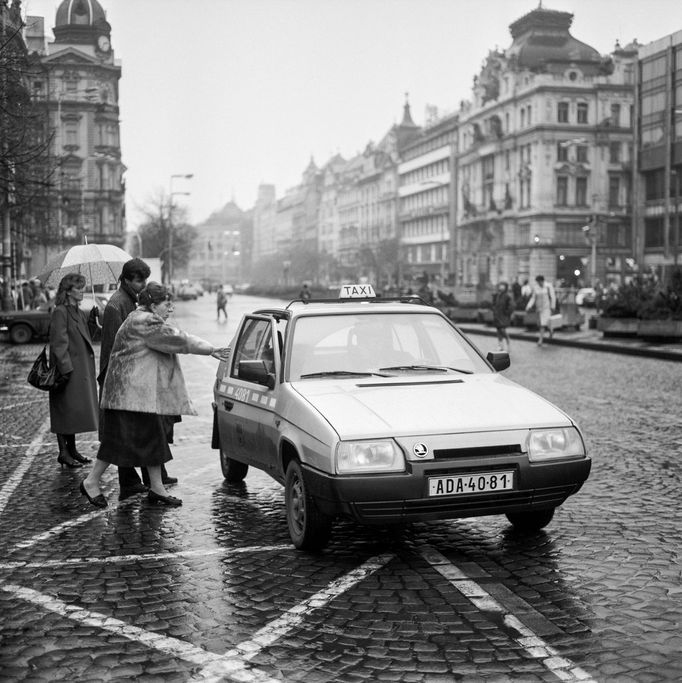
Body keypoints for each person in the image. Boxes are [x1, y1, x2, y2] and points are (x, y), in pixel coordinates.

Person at [80, 282, 229, 508]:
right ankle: (91, 482)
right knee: (117, 442)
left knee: (150, 439)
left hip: (133, 395)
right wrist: (211, 349)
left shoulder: (137, 317)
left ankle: (157, 488)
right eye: (166, 305)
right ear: (152, 304)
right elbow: (178, 339)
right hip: (129, 397)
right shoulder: (145, 321)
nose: (171, 309)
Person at [99, 257, 174, 501]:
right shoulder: (116, 305)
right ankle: (128, 481)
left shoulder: (132, 300)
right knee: (123, 435)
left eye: (144, 279)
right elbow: (113, 347)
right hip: (123, 380)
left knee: (141, 432)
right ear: (127, 279)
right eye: (139, 280)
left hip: (137, 377)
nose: (143, 284)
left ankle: (153, 481)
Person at [49, 273, 100, 468]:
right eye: (79, 288)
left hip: (80, 370)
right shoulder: (60, 311)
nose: (83, 291)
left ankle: (72, 450)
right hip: (68, 371)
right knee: (64, 410)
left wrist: (92, 323)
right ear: (68, 291)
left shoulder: (77, 311)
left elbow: (84, 338)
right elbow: (58, 344)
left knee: (73, 411)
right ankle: (63, 452)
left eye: (83, 287)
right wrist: (66, 370)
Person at [526, 275, 556, 346]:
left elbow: (552, 297)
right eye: (537, 282)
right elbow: (533, 298)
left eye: (539, 282)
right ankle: (547, 334)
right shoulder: (536, 288)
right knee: (542, 324)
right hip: (539, 309)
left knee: (545, 323)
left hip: (547, 308)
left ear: (542, 281)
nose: (538, 283)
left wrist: (553, 306)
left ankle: (542, 338)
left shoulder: (548, 286)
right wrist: (529, 306)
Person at [492, 282, 514, 352]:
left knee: (502, 330)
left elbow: (511, 306)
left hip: (503, 317)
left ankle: (508, 343)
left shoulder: (507, 296)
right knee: (498, 331)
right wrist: (494, 310)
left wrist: (507, 313)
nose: (501, 287)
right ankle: (500, 345)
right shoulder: (497, 295)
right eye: (500, 286)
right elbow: (494, 304)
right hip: (497, 316)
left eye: (503, 286)